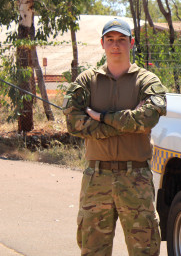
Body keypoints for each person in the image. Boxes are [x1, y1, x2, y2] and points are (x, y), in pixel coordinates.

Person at [63, 18, 167, 256]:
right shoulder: (86, 81)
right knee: (93, 249)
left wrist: (100, 117)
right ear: (102, 43)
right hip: (96, 177)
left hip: (136, 177)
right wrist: (127, 124)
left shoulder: (147, 81)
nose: (115, 45)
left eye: (121, 40)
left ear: (131, 43)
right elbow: (72, 122)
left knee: (145, 250)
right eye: (110, 40)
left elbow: (148, 118)